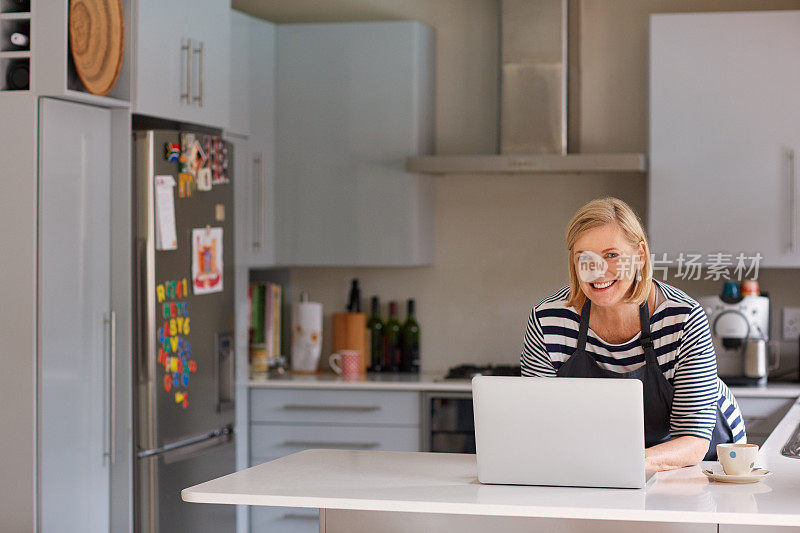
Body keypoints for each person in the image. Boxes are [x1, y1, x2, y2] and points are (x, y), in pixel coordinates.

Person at [520, 197, 744, 471]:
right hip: (613, 455)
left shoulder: (683, 317)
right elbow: (539, 423)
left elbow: (693, 439)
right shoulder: (548, 321)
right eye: (584, 258)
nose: (597, 271)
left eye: (611, 255)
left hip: (702, 450)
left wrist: (623, 462)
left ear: (639, 255)